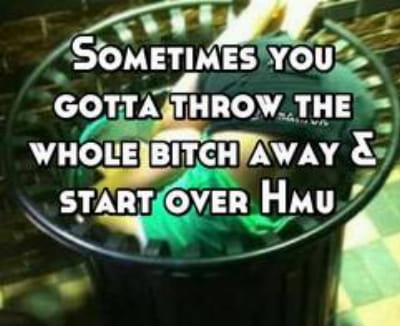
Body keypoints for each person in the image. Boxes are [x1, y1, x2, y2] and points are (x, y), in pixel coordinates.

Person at [79, 0, 376, 256]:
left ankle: (266, 16)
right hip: (350, 104)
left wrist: (112, 179)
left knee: (179, 136)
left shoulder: (164, 225)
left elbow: (97, 205)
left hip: (271, 150)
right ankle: (267, 14)